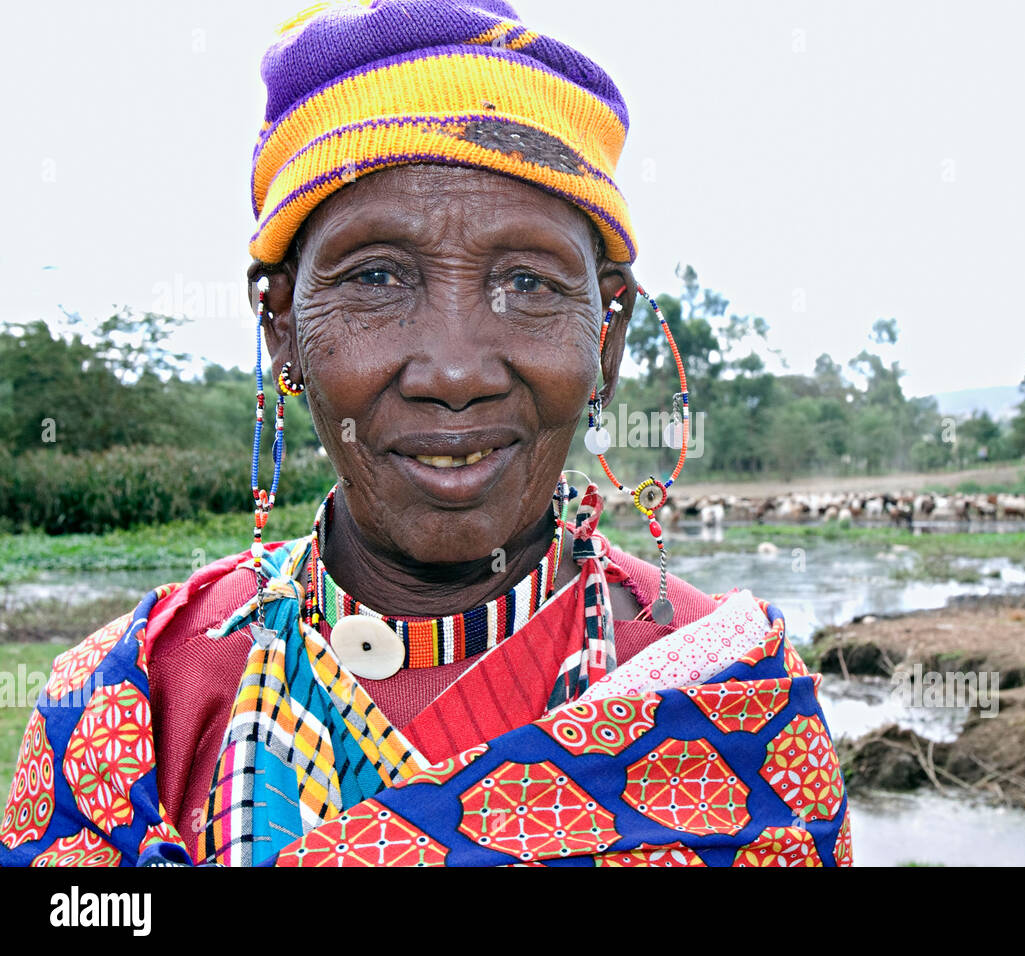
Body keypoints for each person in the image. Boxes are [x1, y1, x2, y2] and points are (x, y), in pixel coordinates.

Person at [0, 0, 851, 867]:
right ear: (282, 328)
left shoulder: (730, 703)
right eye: (376, 276)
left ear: (609, 335)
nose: (453, 372)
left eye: (528, 281)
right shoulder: (132, 710)